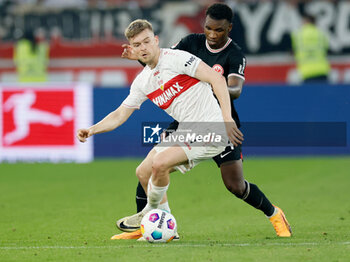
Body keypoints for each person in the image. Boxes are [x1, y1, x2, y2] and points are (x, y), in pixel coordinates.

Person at [113, 3, 292, 240]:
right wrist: (138, 57)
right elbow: (163, 62)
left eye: (219, 30)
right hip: (186, 119)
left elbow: (235, 89)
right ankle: (145, 225)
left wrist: (205, 81)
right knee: (151, 166)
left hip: (219, 121)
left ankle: (274, 214)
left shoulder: (235, 54)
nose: (212, 34)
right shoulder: (190, 43)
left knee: (235, 185)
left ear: (229, 28)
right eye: (208, 28)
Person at [77, 18, 244, 239]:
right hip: (187, 131)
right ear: (132, 49)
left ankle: (149, 211)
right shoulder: (143, 81)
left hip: (210, 129)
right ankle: (168, 227)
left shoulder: (176, 58)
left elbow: (217, 79)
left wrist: (226, 119)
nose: (143, 48)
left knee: (160, 163)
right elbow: (119, 114)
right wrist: (92, 129)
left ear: (156, 40)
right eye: (137, 45)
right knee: (143, 172)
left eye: (146, 41)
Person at [291, 13, 330, 83]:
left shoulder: (298, 35)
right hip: (322, 70)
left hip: (306, 71)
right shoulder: (321, 33)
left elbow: (294, 50)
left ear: (306, 21)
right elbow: (326, 49)